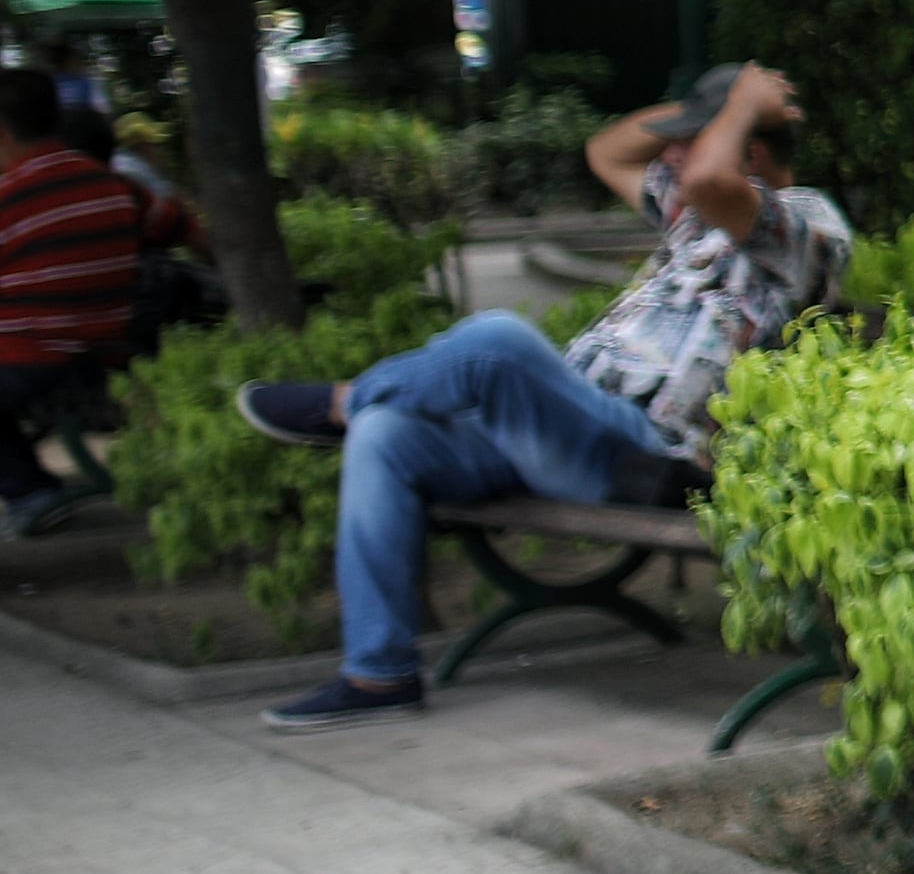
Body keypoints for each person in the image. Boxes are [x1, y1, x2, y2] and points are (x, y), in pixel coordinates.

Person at [235, 66, 848, 728]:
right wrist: (710, 105)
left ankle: (341, 400)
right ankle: (378, 674)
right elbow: (607, 151)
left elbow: (706, 178)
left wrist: (738, 108)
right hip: (563, 429)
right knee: (384, 433)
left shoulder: (806, 229)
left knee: (497, 339)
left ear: (748, 153)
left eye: (688, 141)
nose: (669, 155)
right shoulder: (693, 222)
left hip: (642, 453)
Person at [0, 69, 144, 537]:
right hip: (106, 350)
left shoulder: (9, 197)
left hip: (34, 357)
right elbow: (185, 229)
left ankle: (29, 492)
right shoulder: (112, 183)